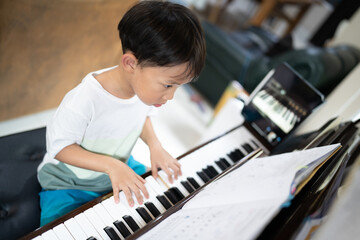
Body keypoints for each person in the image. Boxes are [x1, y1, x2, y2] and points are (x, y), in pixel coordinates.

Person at [36, 0, 206, 226]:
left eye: (178, 87)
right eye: (168, 85)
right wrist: (112, 166)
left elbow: (142, 117)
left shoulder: (142, 91)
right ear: (130, 64)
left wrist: (155, 146)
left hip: (119, 165)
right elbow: (60, 147)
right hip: (70, 182)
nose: (171, 96)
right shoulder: (86, 98)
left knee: (164, 203)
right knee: (60, 228)